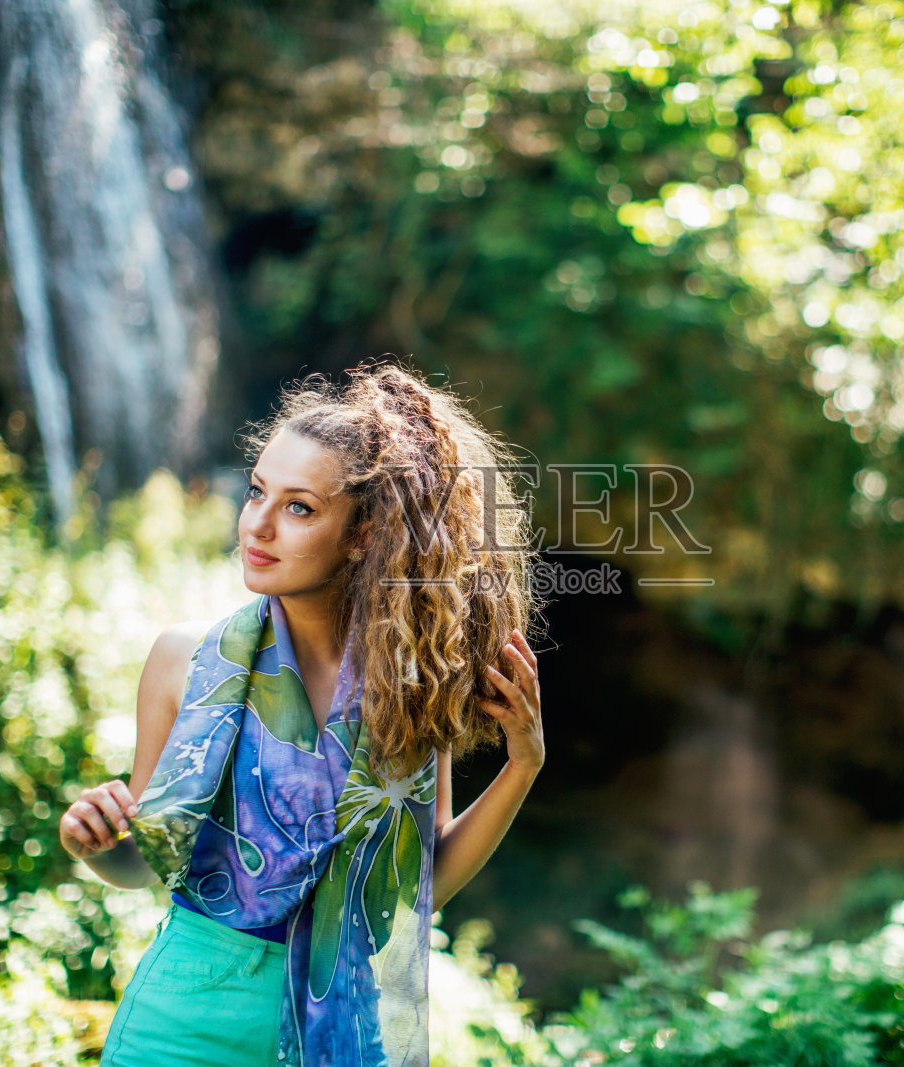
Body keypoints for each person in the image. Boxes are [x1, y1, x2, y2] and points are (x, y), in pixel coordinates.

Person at [57, 358, 545, 1067]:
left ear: (363, 535)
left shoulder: (407, 687)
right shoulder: (183, 662)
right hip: (183, 1025)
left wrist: (524, 763)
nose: (257, 524)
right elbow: (146, 864)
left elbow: (421, 886)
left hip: (343, 1034)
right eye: (256, 492)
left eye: (298, 507)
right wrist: (96, 843)